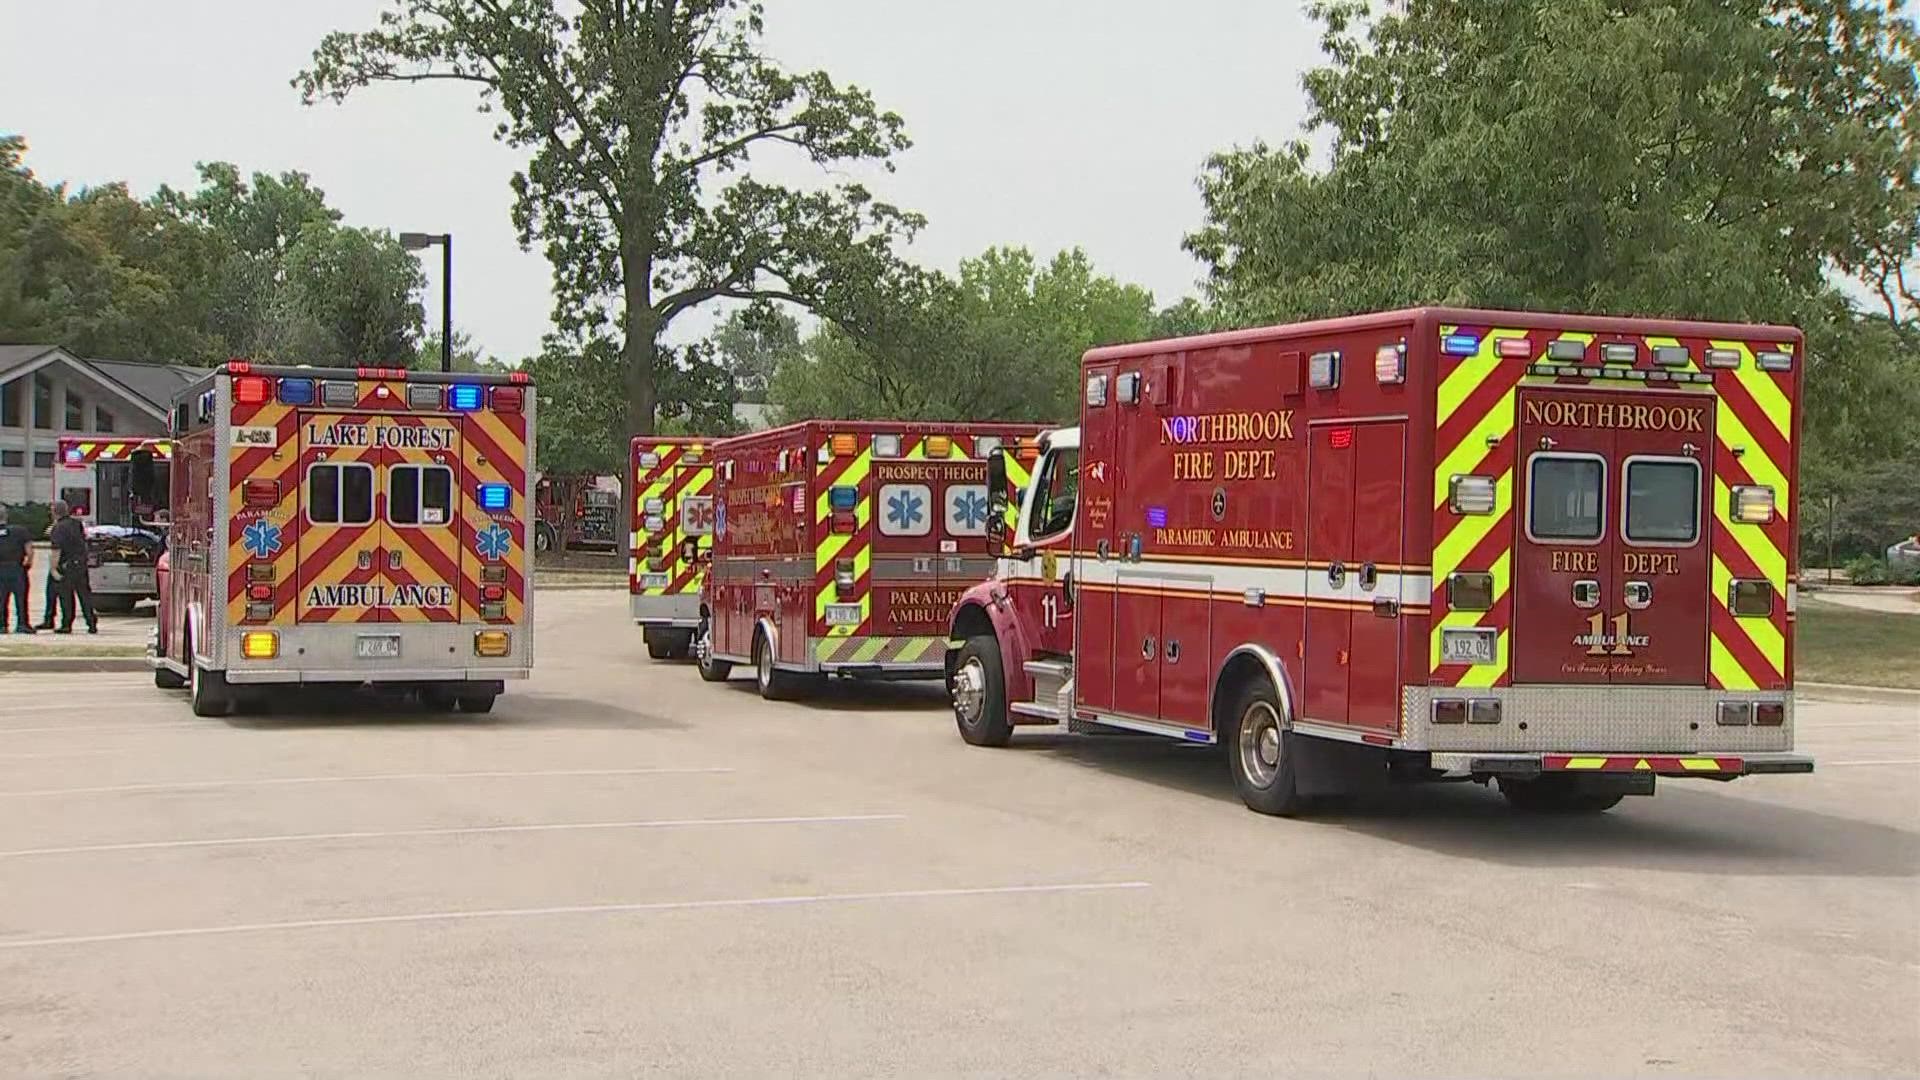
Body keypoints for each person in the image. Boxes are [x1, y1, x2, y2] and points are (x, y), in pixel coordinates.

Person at [46, 500, 97, 635]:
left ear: (54, 512)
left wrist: (53, 569)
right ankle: (91, 622)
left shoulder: (58, 528)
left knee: (66, 596)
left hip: (67, 565)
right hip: (80, 563)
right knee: (84, 595)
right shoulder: (76, 523)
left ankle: (66, 624)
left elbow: (56, 550)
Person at [0, 506, 33, 634]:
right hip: (17, 567)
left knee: (1, 598)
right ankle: (22, 624)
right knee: (21, 597)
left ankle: (2, 625)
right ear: (6, 516)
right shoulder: (20, 531)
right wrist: (28, 564)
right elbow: (29, 550)